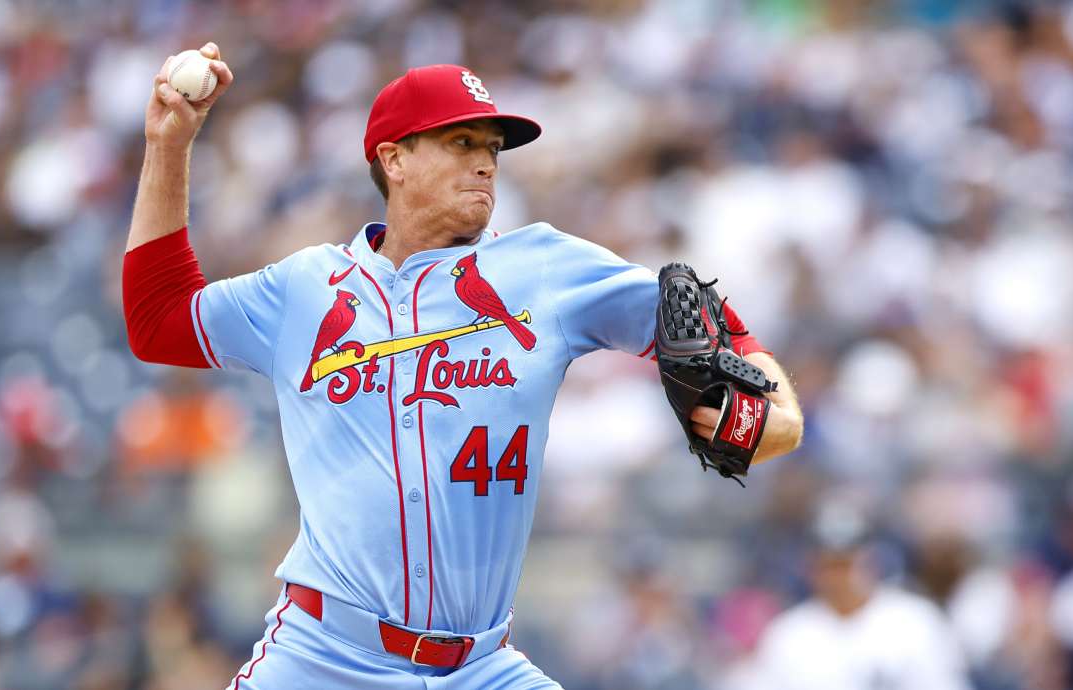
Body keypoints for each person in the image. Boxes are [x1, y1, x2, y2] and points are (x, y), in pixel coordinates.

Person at [122, 42, 804, 689]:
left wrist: (775, 416)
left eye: (491, 149)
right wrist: (169, 146)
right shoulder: (305, 289)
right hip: (325, 656)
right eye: (461, 143)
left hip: (481, 666)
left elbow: (716, 328)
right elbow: (158, 323)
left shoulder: (545, 269)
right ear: (394, 158)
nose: (485, 163)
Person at [744, 506, 971, 690]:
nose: (838, 577)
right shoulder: (788, 633)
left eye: (845, 564)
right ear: (811, 568)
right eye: (828, 566)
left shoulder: (915, 620)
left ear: (870, 561)